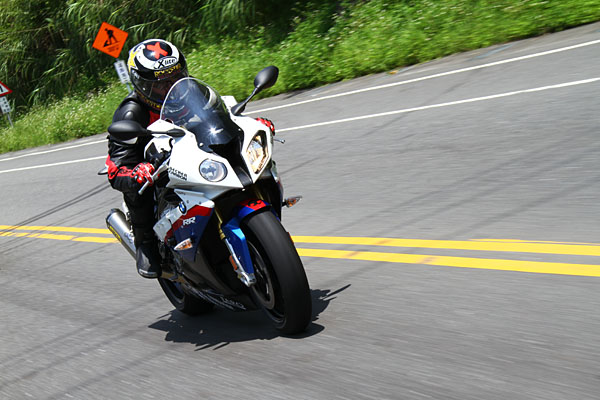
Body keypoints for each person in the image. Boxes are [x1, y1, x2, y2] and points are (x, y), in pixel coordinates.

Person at [105, 39, 274, 279]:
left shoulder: (189, 91)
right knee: (139, 190)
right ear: (142, 85)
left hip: (195, 154)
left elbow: (222, 116)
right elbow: (116, 167)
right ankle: (146, 244)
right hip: (155, 167)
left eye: (175, 77)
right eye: (160, 84)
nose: (169, 86)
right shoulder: (131, 113)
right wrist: (136, 172)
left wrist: (251, 124)